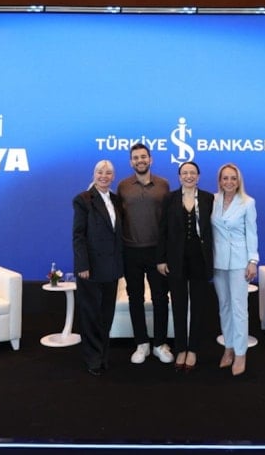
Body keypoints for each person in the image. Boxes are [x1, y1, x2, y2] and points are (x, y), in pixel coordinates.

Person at [117, 143, 174, 364]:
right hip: (130, 251)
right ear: (131, 162)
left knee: (160, 298)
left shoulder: (163, 185)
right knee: (135, 298)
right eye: (135, 157)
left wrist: (166, 252)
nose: (140, 160)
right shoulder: (123, 186)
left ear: (151, 159)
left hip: (157, 252)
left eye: (143, 157)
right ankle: (141, 343)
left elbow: (168, 220)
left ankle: (160, 344)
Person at [156, 161, 214, 371]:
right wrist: (161, 259)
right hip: (175, 260)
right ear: (179, 177)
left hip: (201, 259)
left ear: (198, 176)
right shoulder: (169, 198)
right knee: (179, 304)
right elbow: (162, 231)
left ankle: (194, 349)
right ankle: (181, 348)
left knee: (198, 305)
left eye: (193, 173)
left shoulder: (209, 199)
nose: (189, 176)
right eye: (185, 173)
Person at [72, 159, 124, 376]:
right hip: (91, 268)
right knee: (91, 315)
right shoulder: (83, 199)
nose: (104, 176)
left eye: (108, 173)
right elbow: (78, 236)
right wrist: (82, 264)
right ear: (94, 174)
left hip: (112, 268)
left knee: (106, 314)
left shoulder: (116, 199)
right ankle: (93, 358)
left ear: (113, 176)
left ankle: (103, 355)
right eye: (100, 172)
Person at [211, 163, 259, 376]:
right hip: (218, 260)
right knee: (224, 306)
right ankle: (228, 347)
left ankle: (240, 353)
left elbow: (252, 233)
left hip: (240, 262)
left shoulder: (248, 202)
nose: (229, 182)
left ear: (239, 181)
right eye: (225, 178)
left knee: (239, 308)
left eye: (233, 178)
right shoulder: (212, 200)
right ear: (219, 181)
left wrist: (252, 261)